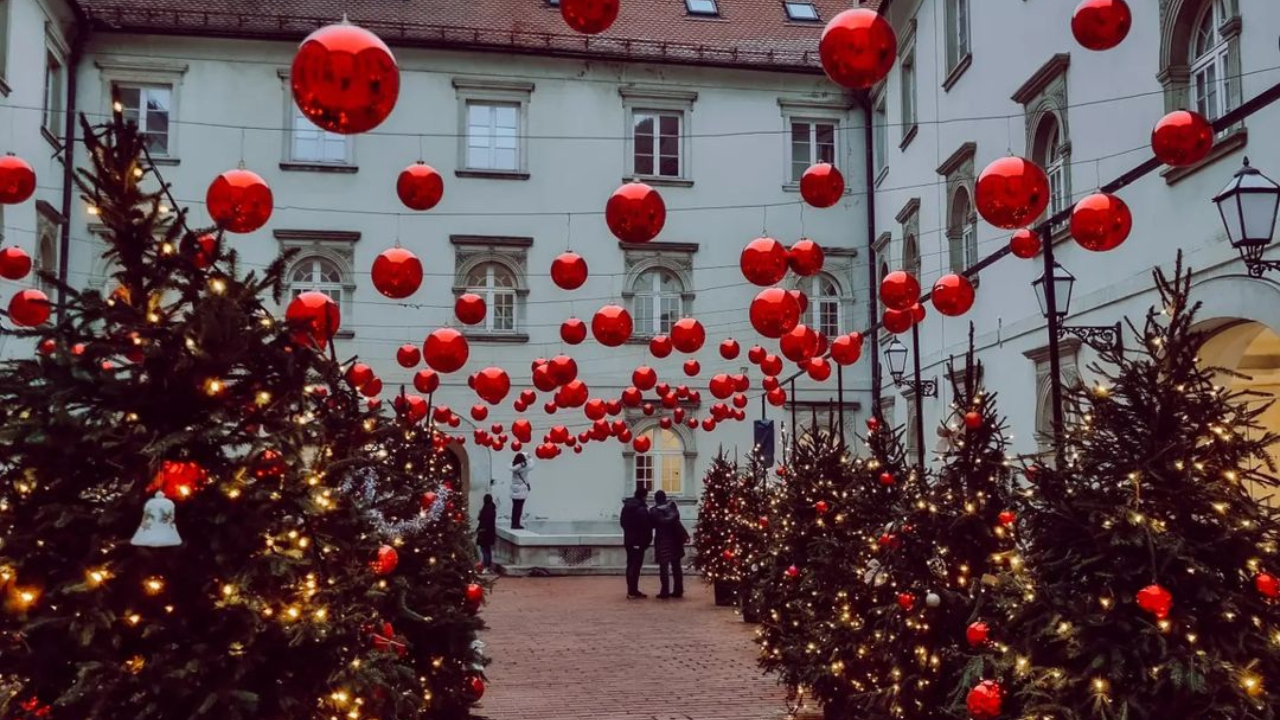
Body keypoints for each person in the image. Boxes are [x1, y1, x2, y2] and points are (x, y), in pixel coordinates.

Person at [649, 490, 689, 599]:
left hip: (662, 541)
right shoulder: (673, 508)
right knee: (676, 567)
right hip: (675, 540)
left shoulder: (653, 511)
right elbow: (677, 523)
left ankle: (664, 591)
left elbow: (651, 525)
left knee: (664, 568)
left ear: (656, 499)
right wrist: (684, 535)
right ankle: (678, 589)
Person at [619, 488, 654, 598]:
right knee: (636, 567)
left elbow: (622, 523)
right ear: (644, 496)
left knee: (630, 565)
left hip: (629, 540)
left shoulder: (626, 507)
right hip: (639, 541)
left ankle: (631, 590)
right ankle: (633, 591)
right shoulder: (641, 509)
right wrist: (646, 541)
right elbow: (647, 527)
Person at [509, 452, 534, 529]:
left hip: (514, 488)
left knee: (515, 507)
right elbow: (532, 465)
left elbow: (509, 464)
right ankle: (516, 524)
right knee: (519, 508)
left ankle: (513, 523)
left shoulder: (513, 467)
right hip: (521, 489)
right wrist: (529, 457)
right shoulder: (524, 467)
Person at [477, 494, 497, 573]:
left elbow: (481, 519)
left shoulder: (485, 509)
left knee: (484, 550)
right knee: (488, 550)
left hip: (484, 532)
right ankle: (488, 565)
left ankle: (486, 565)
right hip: (490, 532)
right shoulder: (492, 508)